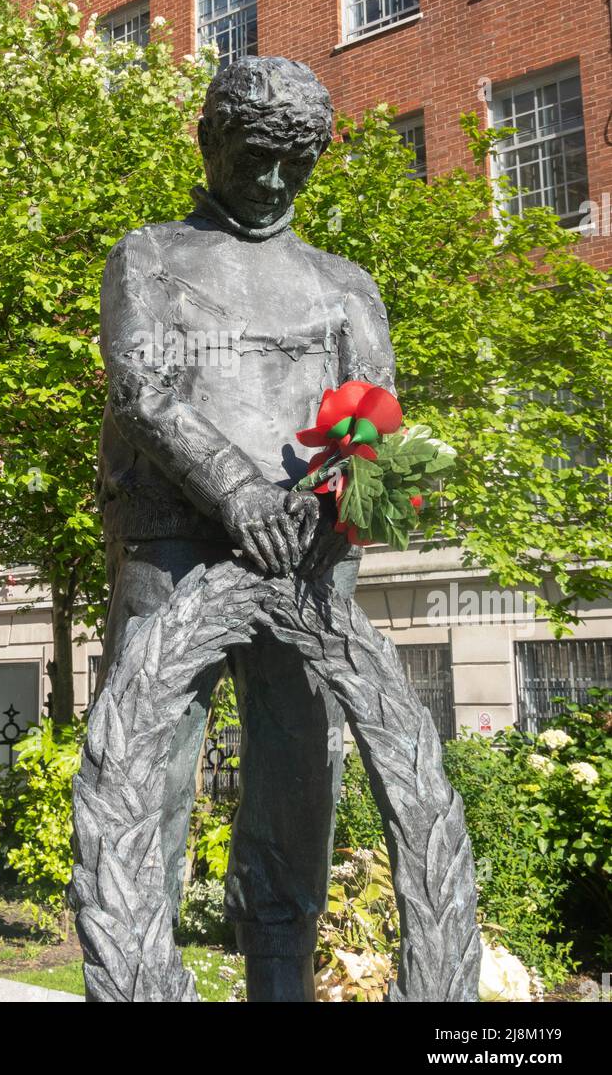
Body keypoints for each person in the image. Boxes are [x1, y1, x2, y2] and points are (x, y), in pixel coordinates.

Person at [96, 56, 395, 1001]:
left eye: (292, 167)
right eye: (255, 159)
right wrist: (237, 492)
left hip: (308, 555)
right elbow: (145, 391)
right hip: (173, 542)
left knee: (301, 775)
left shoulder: (343, 282)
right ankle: (135, 976)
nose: (271, 184)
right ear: (211, 143)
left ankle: (282, 981)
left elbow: (377, 410)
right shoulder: (148, 256)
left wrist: (330, 492)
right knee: (147, 770)